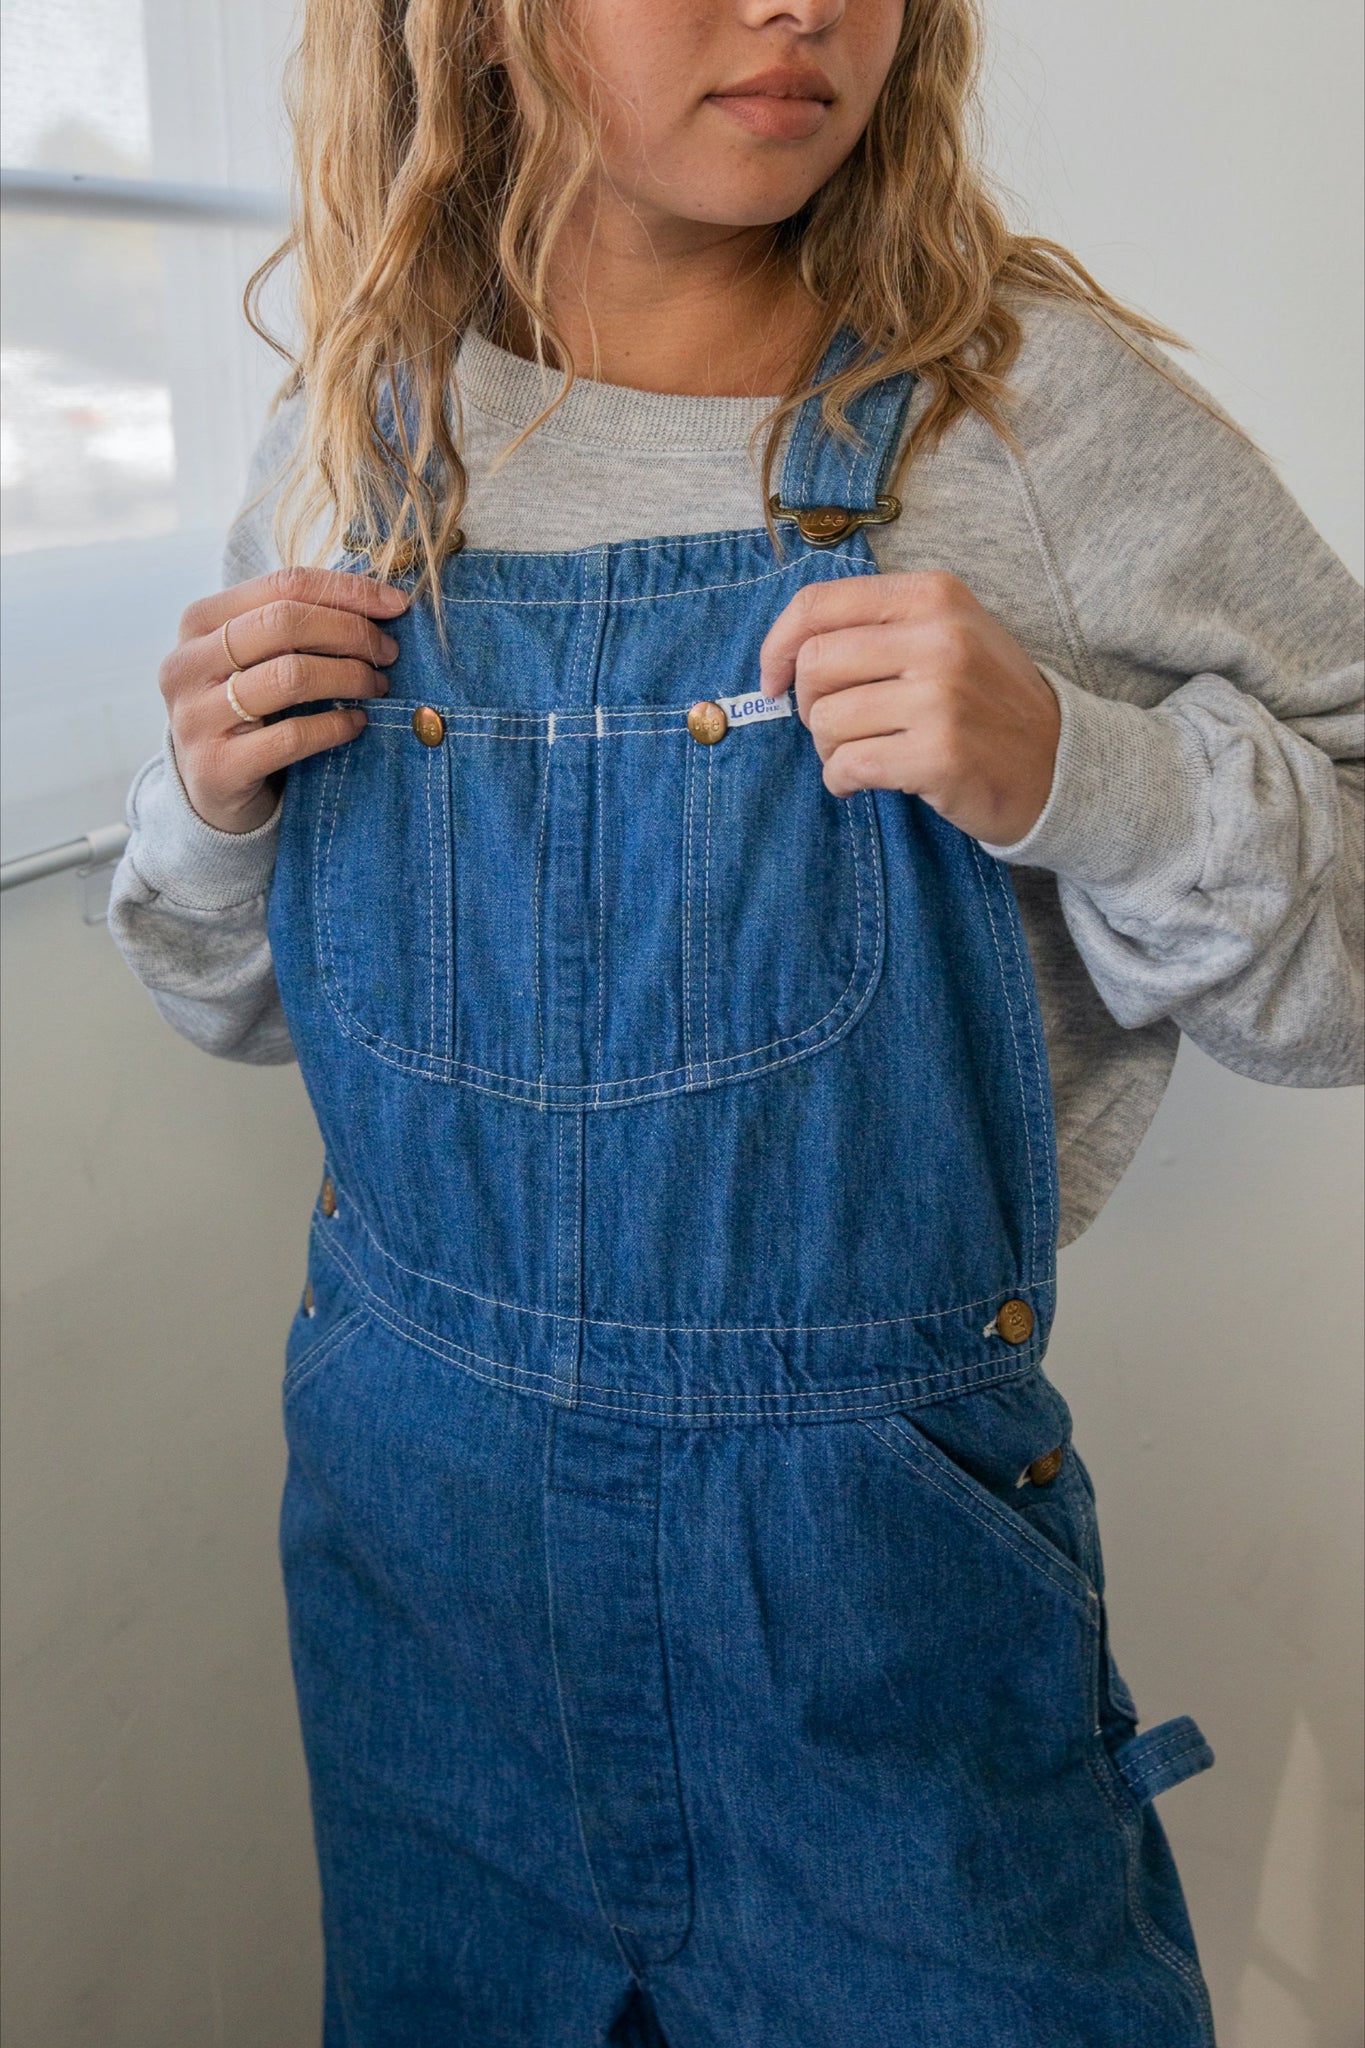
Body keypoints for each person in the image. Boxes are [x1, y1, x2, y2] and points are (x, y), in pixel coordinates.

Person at [107, 0, 1363, 2040]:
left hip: (864, 1616)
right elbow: (231, 1003)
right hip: (416, 1589)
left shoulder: (1026, 422)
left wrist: (1085, 773)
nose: (801, 6)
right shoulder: (362, 436)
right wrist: (205, 804)